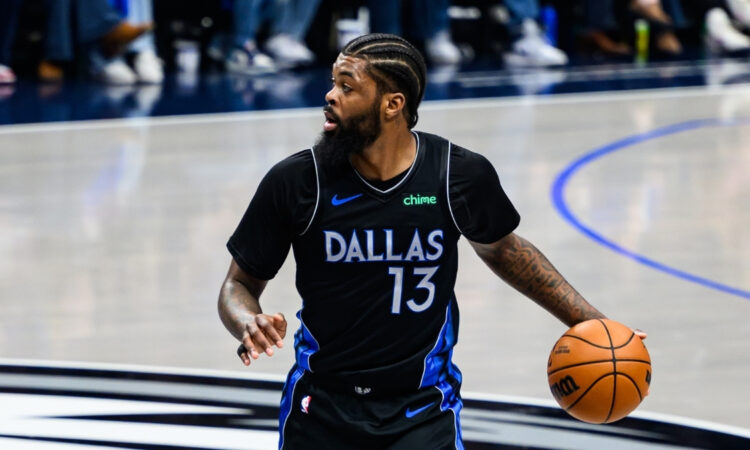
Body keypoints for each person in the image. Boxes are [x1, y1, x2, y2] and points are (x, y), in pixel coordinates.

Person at [218, 33, 646, 449]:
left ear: (392, 104)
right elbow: (238, 286)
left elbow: (506, 250)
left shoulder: (455, 176)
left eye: (347, 87)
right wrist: (247, 322)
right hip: (321, 406)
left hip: (422, 410)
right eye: (333, 83)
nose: (330, 95)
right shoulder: (297, 181)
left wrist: (594, 323)